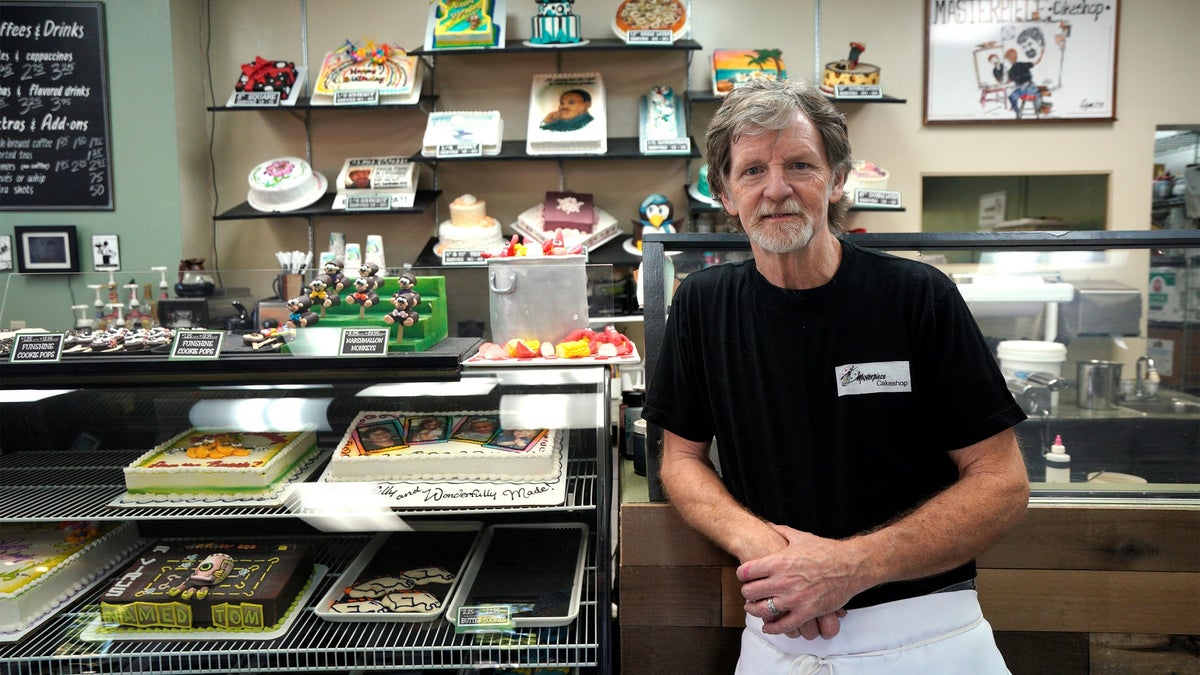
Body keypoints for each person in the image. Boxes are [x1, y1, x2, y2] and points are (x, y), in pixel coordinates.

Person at [641, 78, 1029, 673]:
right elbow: (680, 461)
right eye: (751, 171)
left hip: (929, 630)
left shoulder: (917, 297)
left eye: (800, 164)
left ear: (838, 178)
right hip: (779, 629)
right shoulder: (701, 304)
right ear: (723, 191)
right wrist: (772, 553)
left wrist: (849, 568)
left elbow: (1001, 482)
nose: (777, 189)